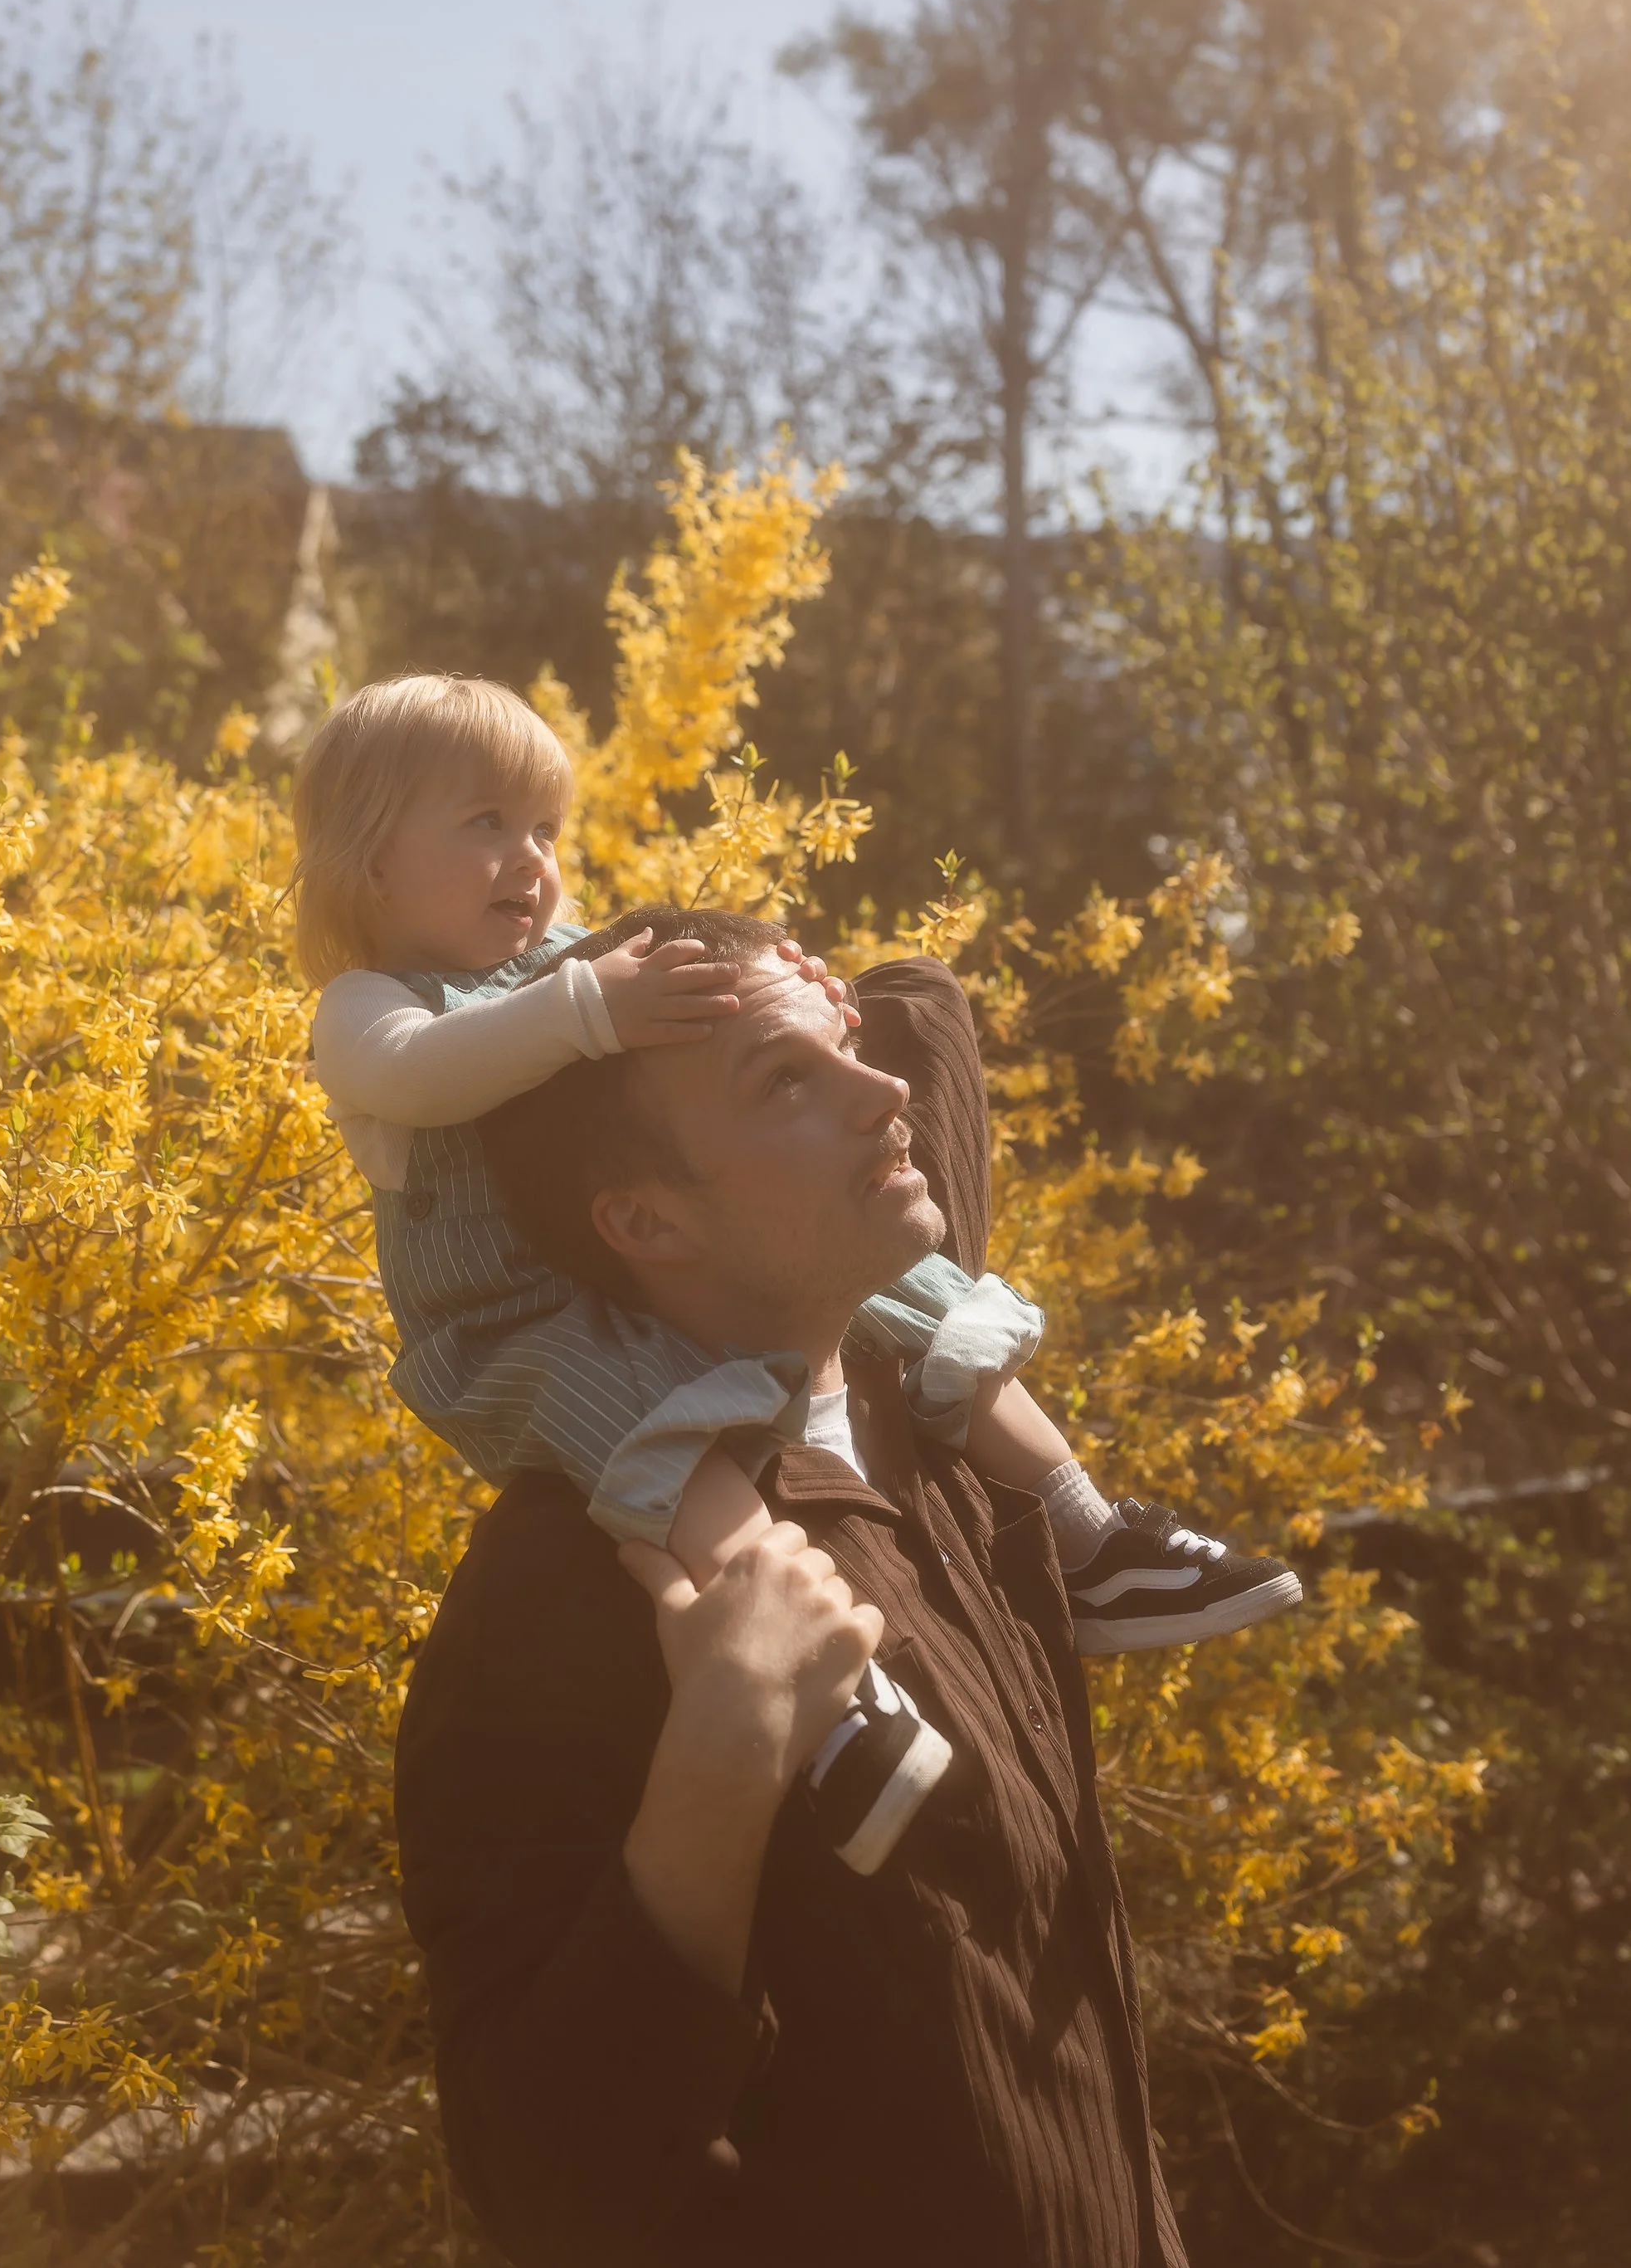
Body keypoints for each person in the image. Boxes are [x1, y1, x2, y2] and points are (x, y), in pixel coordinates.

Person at [295, 673, 1298, 1866]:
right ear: (369, 860)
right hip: (521, 1327)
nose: (531, 858)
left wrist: (800, 998)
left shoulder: (564, 965)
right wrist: (587, 1010)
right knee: (672, 1441)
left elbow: (703, 1018)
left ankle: (1089, 1536)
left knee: (918, 1296)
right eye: (485, 824)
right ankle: (824, 1690)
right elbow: (426, 1074)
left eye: (545, 829)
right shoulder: (367, 1006)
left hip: (644, 1264)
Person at [396, 911, 1191, 2266]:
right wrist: (717, 1765)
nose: (883, 1093)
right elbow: (541, 2177)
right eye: (789, 1082)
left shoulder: (934, 1439)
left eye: (846, 1046)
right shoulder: (564, 1592)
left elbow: (922, 1016)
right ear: (643, 1217)